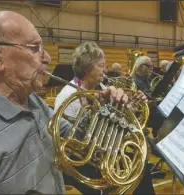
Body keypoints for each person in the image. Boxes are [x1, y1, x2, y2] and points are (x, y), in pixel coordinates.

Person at [0, 11, 133, 195]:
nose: (47, 58)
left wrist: (103, 110)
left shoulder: (31, 99)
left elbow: (73, 136)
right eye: (35, 48)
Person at [54, 41, 155, 195]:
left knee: (142, 169)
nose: (105, 69)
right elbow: (67, 143)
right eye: (101, 65)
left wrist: (132, 107)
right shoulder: (68, 95)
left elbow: (116, 121)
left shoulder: (101, 88)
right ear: (87, 67)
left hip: (103, 154)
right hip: (82, 162)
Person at [133, 56, 166, 138]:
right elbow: (137, 105)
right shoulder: (134, 82)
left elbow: (152, 94)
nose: (152, 68)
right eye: (149, 66)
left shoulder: (148, 78)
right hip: (146, 114)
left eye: (152, 66)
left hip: (153, 107)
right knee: (165, 117)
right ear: (141, 66)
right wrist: (149, 102)